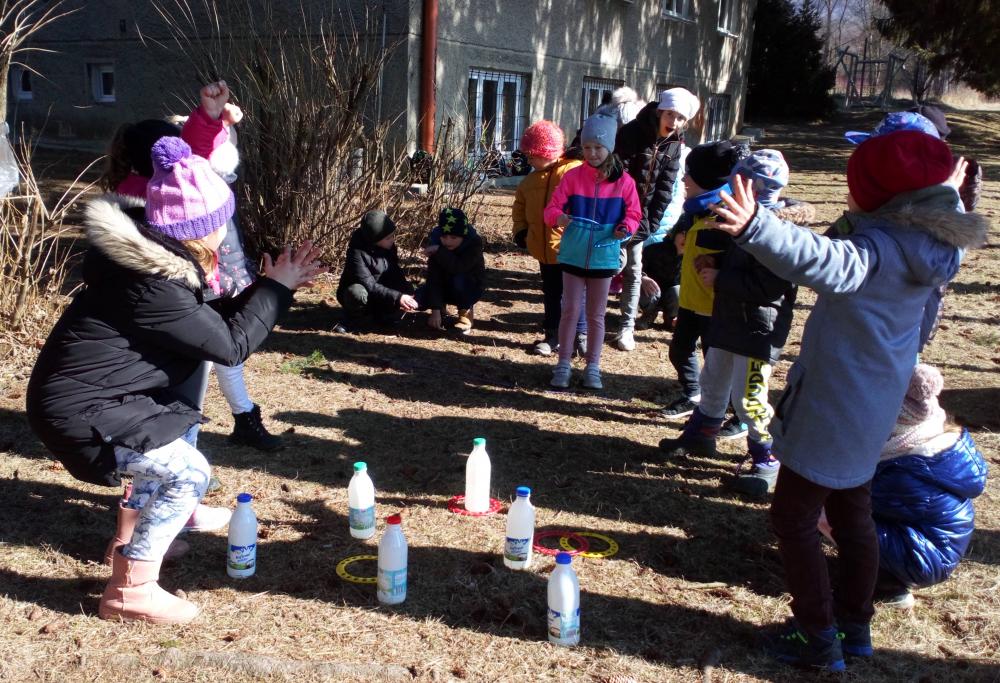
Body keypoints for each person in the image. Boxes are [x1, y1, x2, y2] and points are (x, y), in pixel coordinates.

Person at [710, 130, 986, 670]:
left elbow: (825, 260)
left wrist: (757, 226)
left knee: (792, 519)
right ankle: (854, 626)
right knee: (853, 510)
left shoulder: (879, 250)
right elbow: (913, 218)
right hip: (874, 406)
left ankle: (816, 636)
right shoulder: (928, 243)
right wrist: (945, 192)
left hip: (834, 406)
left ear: (881, 196)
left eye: (855, 183)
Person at [26, 135, 325, 624]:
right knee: (188, 471)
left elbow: (200, 321)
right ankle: (131, 590)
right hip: (82, 411)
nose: (224, 232)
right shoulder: (153, 283)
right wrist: (275, 289)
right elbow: (228, 345)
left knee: (163, 459)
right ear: (201, 230)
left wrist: (264, 290)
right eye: (219, 221)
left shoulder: (149, 264)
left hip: (92, 399)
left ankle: (128, 543)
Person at [101, 82, 283, 454]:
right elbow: (196, 152)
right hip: (184, 292)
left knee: (221, 353)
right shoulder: (151, 194)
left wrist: (211, 117)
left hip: (206, 284)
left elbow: (197, 149)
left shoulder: (152, 183)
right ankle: (187, 453)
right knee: (191, 379)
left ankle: (243, 417)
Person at [660, 150, 811, 498]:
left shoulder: (778, 231)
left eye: (736, 184)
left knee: (750, 399)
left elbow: (770, 286)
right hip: (727, 320)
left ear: (754, 189)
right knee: (713, 381)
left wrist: (721, 277)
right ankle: (701, 436)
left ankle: (766, 459)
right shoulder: (746, 221)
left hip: (758, 332)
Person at [819, 364, 988, 610]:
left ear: (897, 427)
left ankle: (889, 587)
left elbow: (853, 497)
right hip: (922, 542)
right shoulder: (927, 443)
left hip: (922, 557)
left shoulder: (905, 470)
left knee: (830, 513)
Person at [543, 113, 641, 390]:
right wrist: (558, 218)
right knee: (570, 310)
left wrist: (625, 228)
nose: (592, 153)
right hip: (573, 254)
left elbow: (634, 214)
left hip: (604, 256)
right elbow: (551, 210)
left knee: (597, 315)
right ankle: (563, 364)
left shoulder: (625, 183)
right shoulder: (572, 176)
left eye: (598, 147)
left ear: (610, 147)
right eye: (587, 147)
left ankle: (593, 366)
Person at [658, 140, 745, 418]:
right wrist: (675, 238)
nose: (683, 178)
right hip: (690, 301)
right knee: (679, 350)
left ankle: (726, 408)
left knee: (716, 364)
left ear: (707, 179)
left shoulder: (727, 214)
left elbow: (740, 257)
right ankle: (692, 393)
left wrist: (718, 268)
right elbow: (681, 237)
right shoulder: (694, 209)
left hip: (715, 307)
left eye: (690, 174)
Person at [611, 87, 699, 352]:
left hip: (642, 218)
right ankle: (582, 319)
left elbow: (664, 187)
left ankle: (626, 327)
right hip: (615, 212)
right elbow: (618, 173)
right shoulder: (631, 133)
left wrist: (650, 223)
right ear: (661, 111)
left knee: (635, 270)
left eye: (680, 118)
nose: (674, 122)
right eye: (670, 114)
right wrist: (619, 213)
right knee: (609, 266)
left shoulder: (675, 145)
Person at [511, 120, 583, 355]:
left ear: (546, 152)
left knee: (574, 296)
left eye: (533, 155)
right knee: (551, 294)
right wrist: (521, 232)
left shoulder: (573, 172)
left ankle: (579, 336)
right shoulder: (529, 182)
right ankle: (552, 335)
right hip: (544, 251)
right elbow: (519, 208)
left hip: (569, 249)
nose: (529, 160)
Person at [334, 210, 418, 332]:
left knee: (406, 288)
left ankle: (381, 316)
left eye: (393, 236)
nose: (393, 240)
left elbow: (394, 271)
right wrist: (398, 297)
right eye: (388, 238)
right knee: (357, 293)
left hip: (379, 290)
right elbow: (369, 285)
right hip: (360, 292)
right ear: (375, 239)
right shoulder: (356, 253)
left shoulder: (389, 247)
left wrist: (406, 292)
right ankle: (349, 321)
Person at [418, 207, 486, 333]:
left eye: (454, 237)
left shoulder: (474, 244)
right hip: (446, 285)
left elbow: (458, 267)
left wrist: (440, 251)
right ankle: (441, 307)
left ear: (463, 235)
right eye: (444, 237)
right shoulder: (437, 245)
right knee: (420, 297)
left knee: (459, 280)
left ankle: (465, 313)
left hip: (470, 286)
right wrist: (435, 311)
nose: (448, 241)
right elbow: (434, 278)